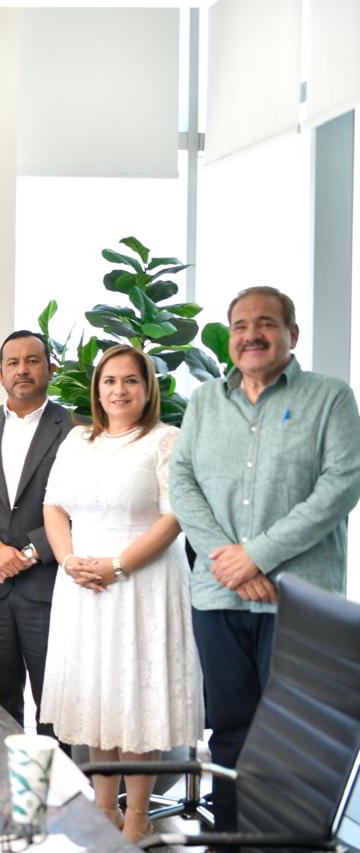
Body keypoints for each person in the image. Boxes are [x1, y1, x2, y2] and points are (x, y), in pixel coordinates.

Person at [170, 286, 360, 831]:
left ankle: (288, 840)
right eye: (240, 325)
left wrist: (255, 556)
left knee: (299, 734)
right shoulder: (205, 402)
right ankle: (230, 835)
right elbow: (182, 482)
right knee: (230, 728)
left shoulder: (331, 397)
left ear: (291, 334)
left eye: (266, 323)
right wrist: (228, 560)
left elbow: (341, 486)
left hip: (299, 599)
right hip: (218, 595)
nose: (251, 334)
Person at [39, 344, 203, 842]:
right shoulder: (76, 440)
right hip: (82, 584)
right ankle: (104, 807)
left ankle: (136, 818)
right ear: (96, 389)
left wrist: (117, 566)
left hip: (141, 584)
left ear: (148, 388)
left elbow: (175, 518)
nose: (119, 390)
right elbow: (53, 506)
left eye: (131, 380)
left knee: (135, 698)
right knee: (99, 697)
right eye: (109, 381)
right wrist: (68, 559)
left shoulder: (166, 440)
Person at [0, 330, 74, 735]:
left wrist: (30, 552)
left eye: (32, 361)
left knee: (55, 703)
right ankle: (6, 775)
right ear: (0, 374)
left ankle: (55, 775)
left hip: (48, 582)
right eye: (13, 362)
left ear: (51, 369)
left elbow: (82, 506)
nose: (22, 370)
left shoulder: (77, 429)